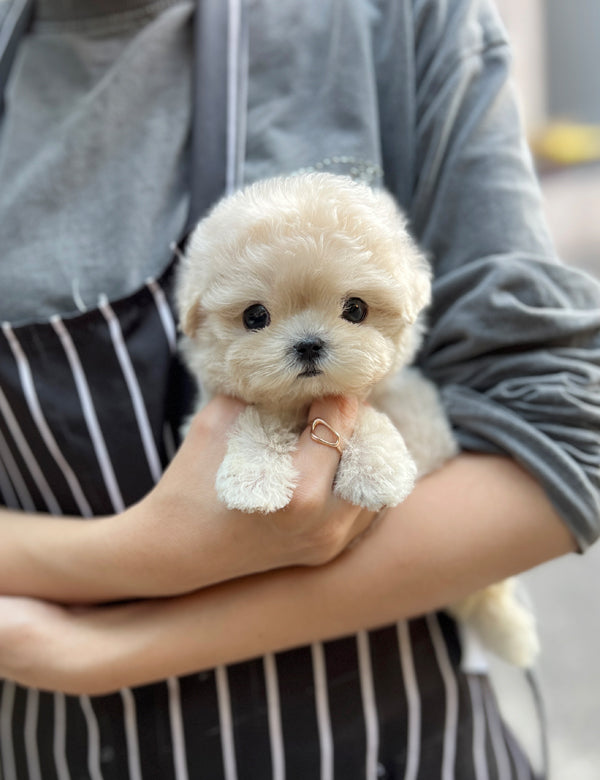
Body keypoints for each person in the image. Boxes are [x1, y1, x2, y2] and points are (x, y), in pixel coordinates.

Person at [0, 0, 599, 778]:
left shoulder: (395, 20)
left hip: (391, 748)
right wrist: (138, 555)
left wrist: (105, 653)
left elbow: (567, 442)